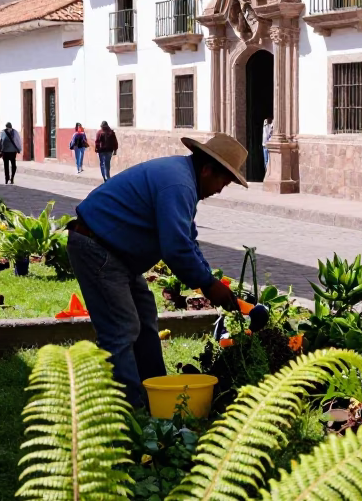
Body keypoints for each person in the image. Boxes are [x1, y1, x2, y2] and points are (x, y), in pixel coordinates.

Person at [67, 133, 246, 407]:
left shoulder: (183, 180)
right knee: (121, 329)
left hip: (116, 253)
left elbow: (187, 238)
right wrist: (208, 285)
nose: (222, 188)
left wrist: (209, 279)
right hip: (98, 248)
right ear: (208, 169)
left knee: (144, 318)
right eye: (223, 180)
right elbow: (175, 247)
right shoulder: (179, 183)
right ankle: (129, 410)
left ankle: (156, 394)